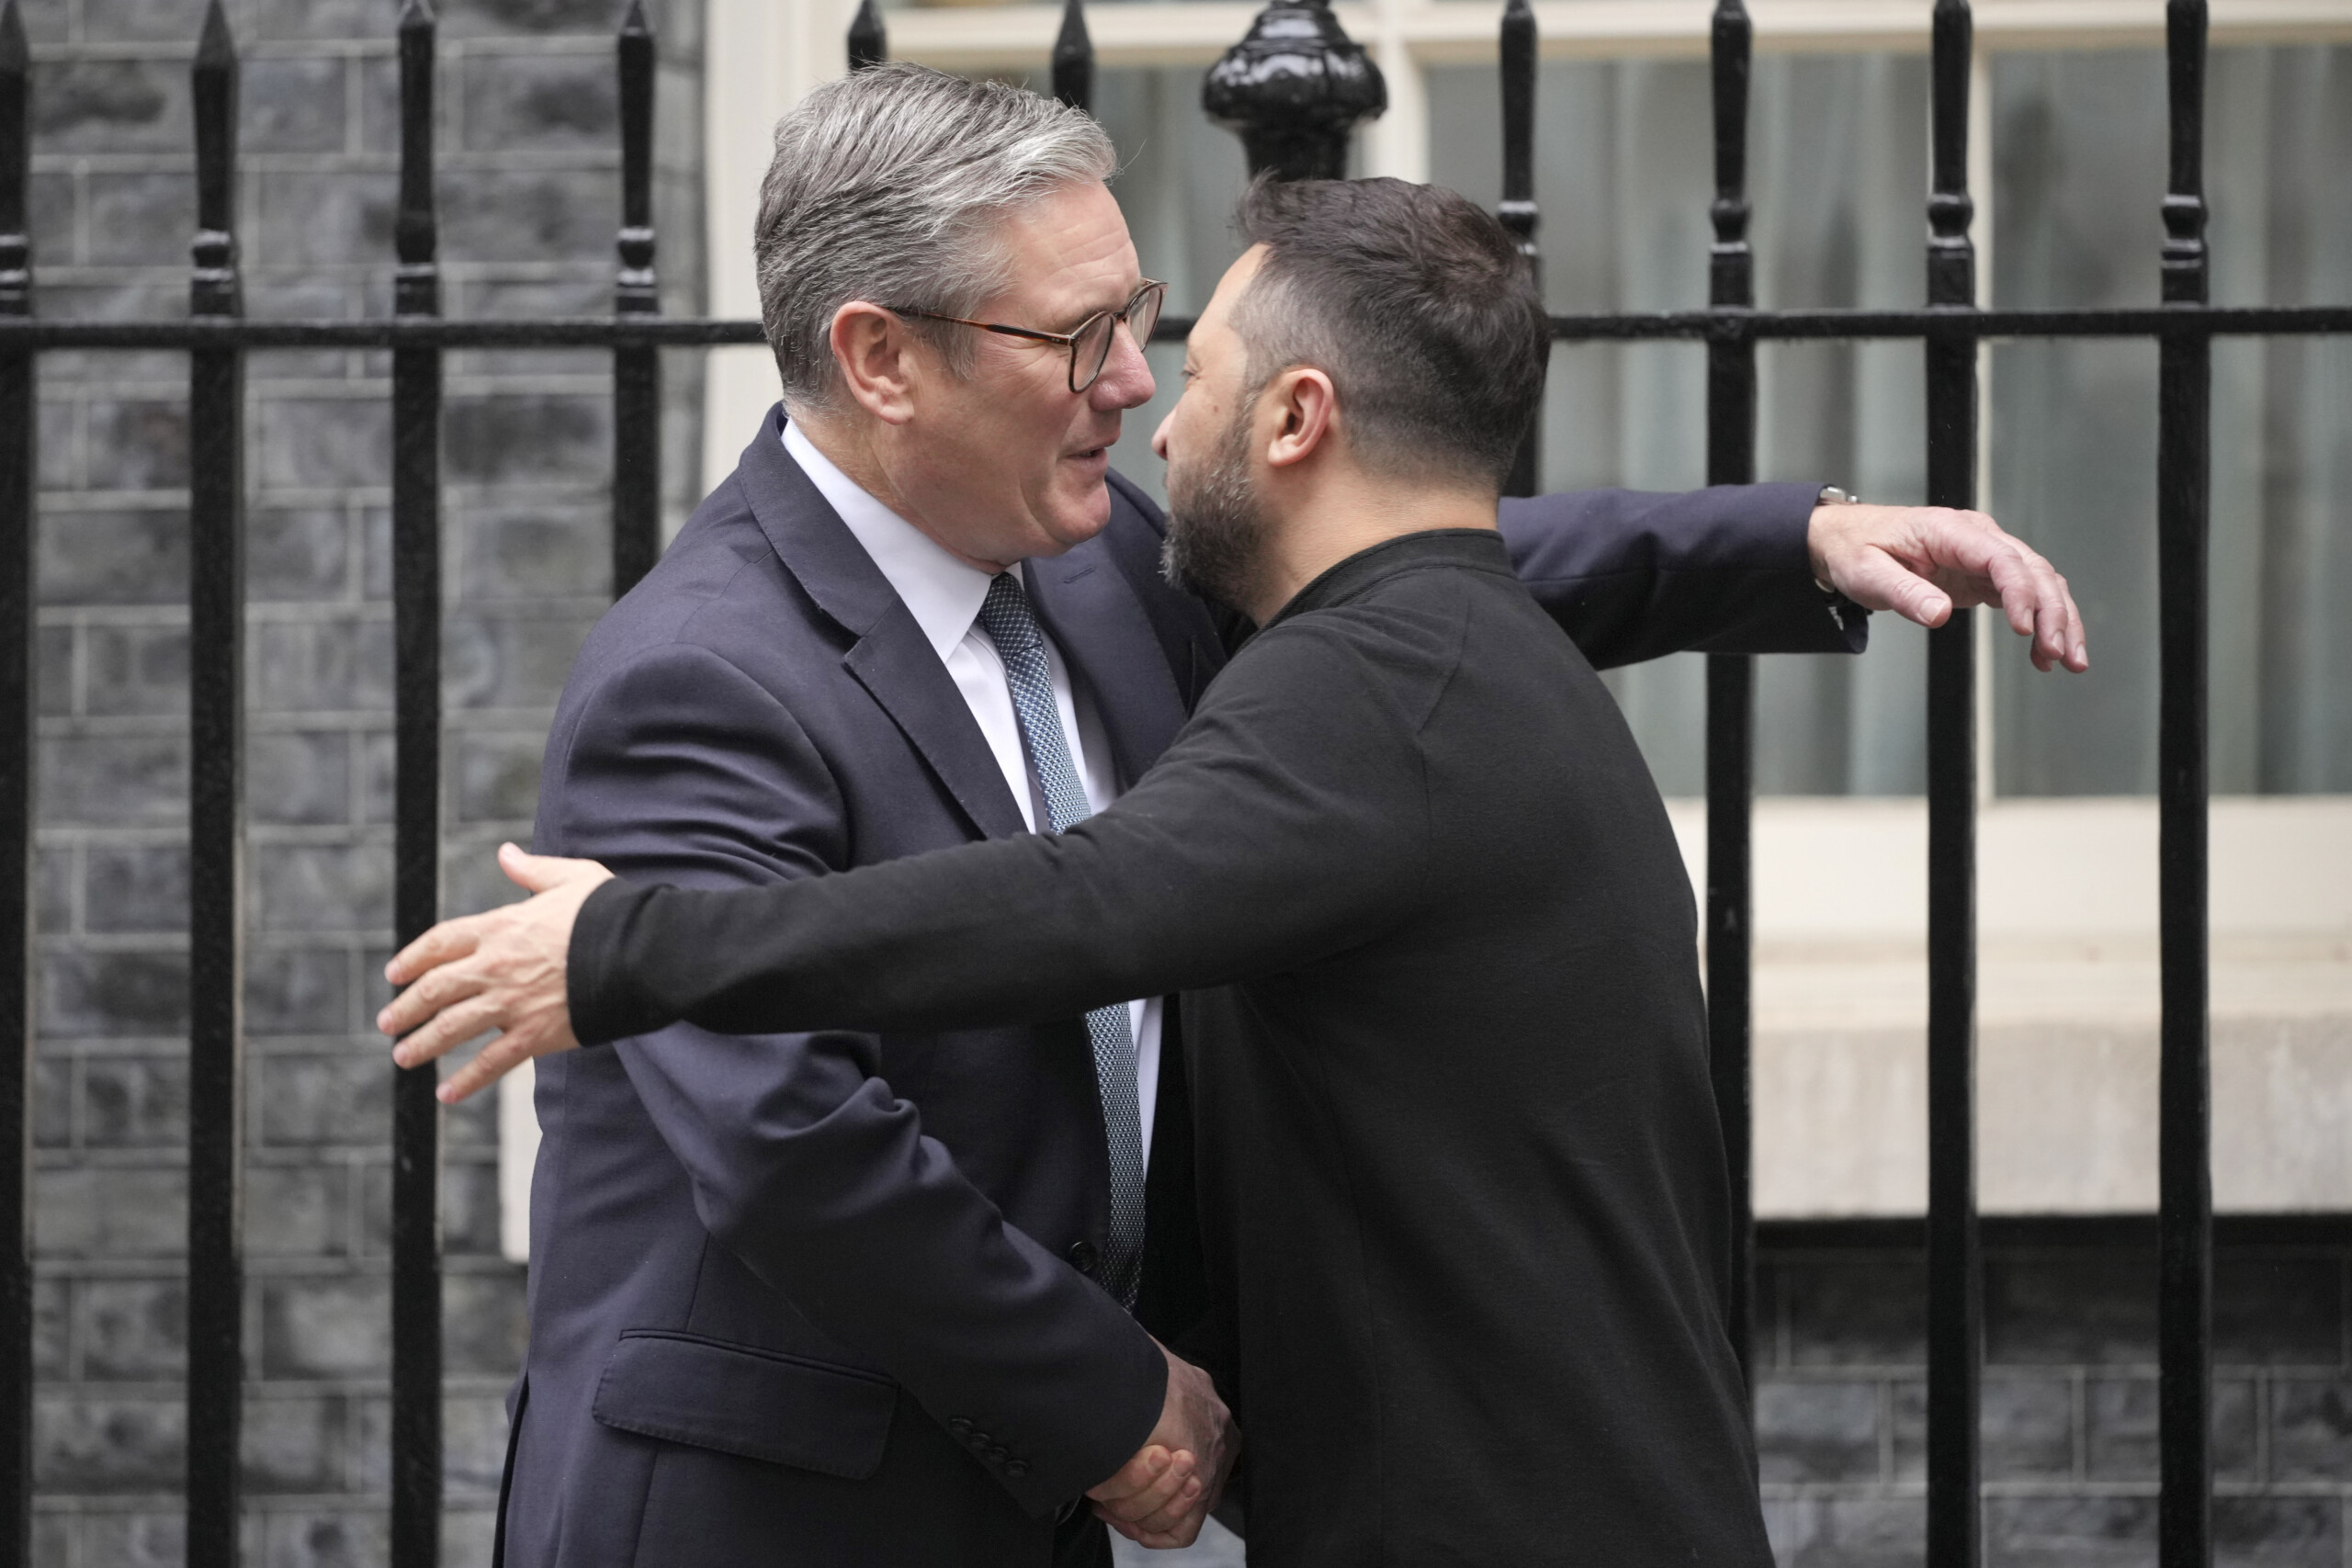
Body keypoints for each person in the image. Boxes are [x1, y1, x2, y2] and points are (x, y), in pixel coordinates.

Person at [411, 64, 2086, 1568]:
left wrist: (1782, 541)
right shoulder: (700, 675)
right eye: (1078, 338)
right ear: (879, 358)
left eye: (1140, 317)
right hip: (777, 1516)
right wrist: (1110, 1396)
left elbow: (1383, 567)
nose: (1133, 383)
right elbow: (789, 1138)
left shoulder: (1091, 570)